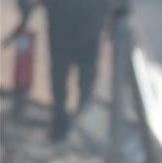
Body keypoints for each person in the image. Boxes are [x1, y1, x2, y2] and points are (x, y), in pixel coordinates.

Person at [22, 0, 113, 141]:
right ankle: (64, 125)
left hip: (83, 19)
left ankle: (76, 127)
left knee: (80, 78)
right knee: (65, 76)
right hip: (68, 18)